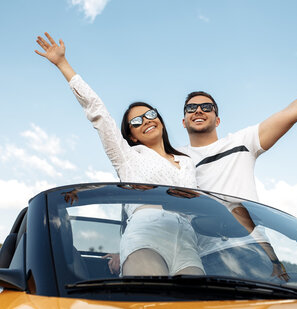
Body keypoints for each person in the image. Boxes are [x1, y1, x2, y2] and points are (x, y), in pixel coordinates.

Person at [179, 48, 297, 277]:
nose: (199, 110)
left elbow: (293, 112)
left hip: (251, 250)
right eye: (191, 108)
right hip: (201, 258)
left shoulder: (243, 142)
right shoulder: (175, 158)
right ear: (183, 121)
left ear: (218, 119)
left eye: (207, 107)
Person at [35, 32, 204, 277]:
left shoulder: (187, 162)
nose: (146, 120)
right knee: (149, 304)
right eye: (137, 121)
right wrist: (63, 64)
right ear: (132, 135)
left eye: (150, 114)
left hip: (188, 243)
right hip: (147, 235)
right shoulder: (128, 156)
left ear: (160, 119)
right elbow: (99, 114)